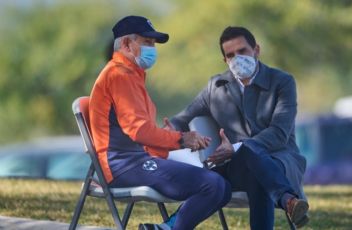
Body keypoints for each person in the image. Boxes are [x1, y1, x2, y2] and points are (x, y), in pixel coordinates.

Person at [89, 16, 231, 230]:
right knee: (213, 185)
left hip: (135, 161)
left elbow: (141, 134)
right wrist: (181, 139)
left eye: (153, 44)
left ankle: (164, 229)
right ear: (127, 44)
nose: (152, 48)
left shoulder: (132, 75)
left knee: (222, 187)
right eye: (147, 42)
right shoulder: (120, 75)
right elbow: (139, 131)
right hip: (122, 167)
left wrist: (165, 138)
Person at [170, 26, 309, 229]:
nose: (237, 58)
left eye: (242, 51)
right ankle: (288, 200)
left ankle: (170, 225)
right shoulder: (216, 86)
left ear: (256, 50)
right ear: (225, 60)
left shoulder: (282, 82)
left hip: (282, 161)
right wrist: (167, 131)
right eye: (230, 55)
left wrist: (238, 147)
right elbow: (182, 118)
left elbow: (279, 133)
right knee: (249, 162)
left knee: (255, 168)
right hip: (236, 167)